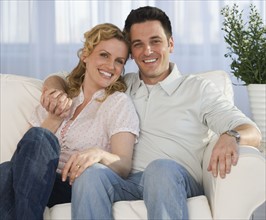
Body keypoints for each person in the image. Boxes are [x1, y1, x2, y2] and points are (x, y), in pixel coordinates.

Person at [42, 6, 261, 220]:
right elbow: (63, 77)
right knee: (90, 175)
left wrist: (231, 135)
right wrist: (55, 91)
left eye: (155, 41)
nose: (147, 51)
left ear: (171, 44)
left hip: (174, 179)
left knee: (160, 168)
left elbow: (252, 130)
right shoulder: (121, 84)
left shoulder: (198, 89)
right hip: (126, 181)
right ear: (131, 53)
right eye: (138, 44)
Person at [0, 23, 139, 220]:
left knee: (10, 169)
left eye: (119, 61)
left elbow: (124, 164)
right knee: (8, 169)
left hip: (71, 186)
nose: (110, 66)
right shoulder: (61, 95)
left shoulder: (118, 102)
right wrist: (54, 118)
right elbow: (24, 154)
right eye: (104, 55)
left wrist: (99, 154)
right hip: (32, 182)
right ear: (85, 55)